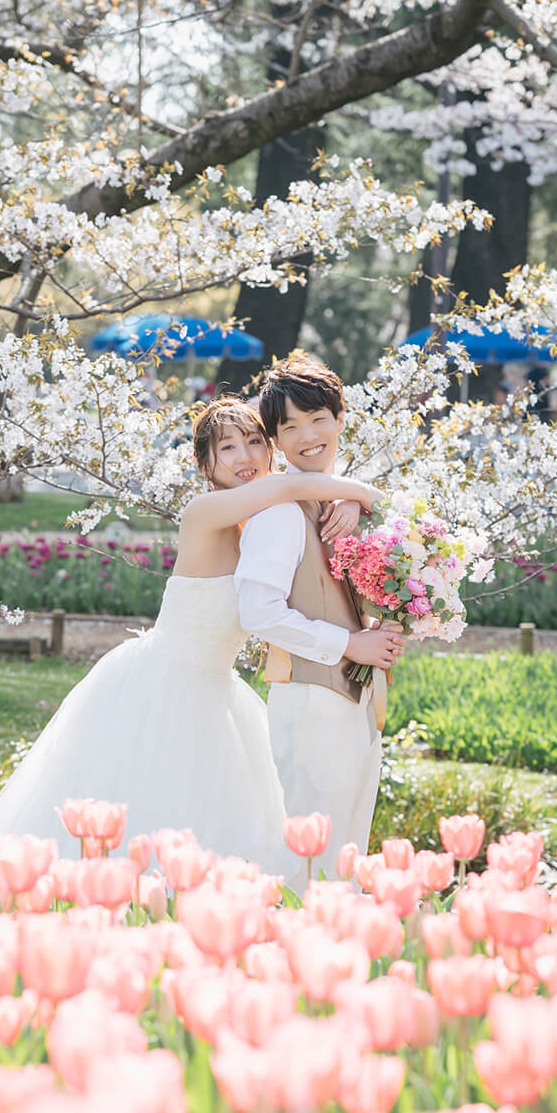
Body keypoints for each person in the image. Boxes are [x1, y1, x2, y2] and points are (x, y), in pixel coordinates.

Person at [0, 397, 381, 864]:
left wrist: (349, 508)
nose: (246, 457)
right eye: (228, 447)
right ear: (204, 464)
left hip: (221, 691)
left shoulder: (261, 524)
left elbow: (297, 497)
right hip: (165, 682)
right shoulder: (205, 511)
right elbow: (293, 486)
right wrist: (359, 495)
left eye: (255, 442)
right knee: (149, 813)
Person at [235, 351, 403, 890]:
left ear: (340, 420)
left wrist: (354, 502)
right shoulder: (280, 514)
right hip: (310, 698)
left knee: (345, 854)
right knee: (310, 856)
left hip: (356, 700)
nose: (309, 435)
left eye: (318, 420)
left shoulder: (338, 504)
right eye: (291, 427)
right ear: (275, 442)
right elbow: (257, 612)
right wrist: (349, 645)